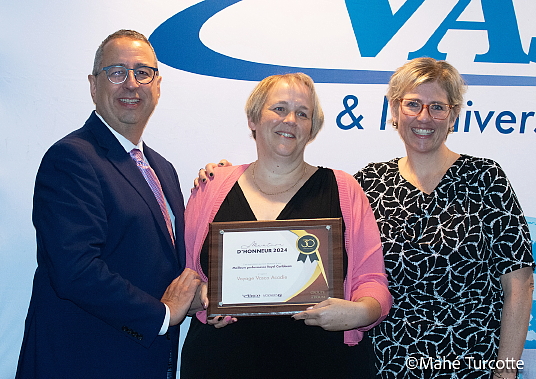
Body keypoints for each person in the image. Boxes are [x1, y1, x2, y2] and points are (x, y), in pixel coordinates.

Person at [181, 73, 392, 378]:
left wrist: (360, 313)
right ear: (254, 118)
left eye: (302, 113)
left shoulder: (343, 189)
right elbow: (183, 280)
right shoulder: (211, 188)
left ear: (311, 129)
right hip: (221, 363)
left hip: (323, 365)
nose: (290, 120)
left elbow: (372, 281)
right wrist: (203, 294)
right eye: (279, 109)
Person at [16, 30, 200, 379]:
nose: (131, 83)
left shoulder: (162, 169)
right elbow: (75, 270)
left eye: (143, 73)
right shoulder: (71, 159)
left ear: (157, 85)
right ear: (93, 85)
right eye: (117, 72)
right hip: (83, 363)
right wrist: (162, 314)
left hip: (143, 363)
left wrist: (196, 299)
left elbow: (156, 265)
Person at [354, 58, 534, 378]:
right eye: (413, 104)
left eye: (437, 106)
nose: (424, 117)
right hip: (387, 366)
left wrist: (505, 373)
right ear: (394, 111)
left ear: (453, 115)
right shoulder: (368, 182)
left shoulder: (486, 178)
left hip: (470, 366)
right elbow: (321, 248)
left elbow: (520, 285)